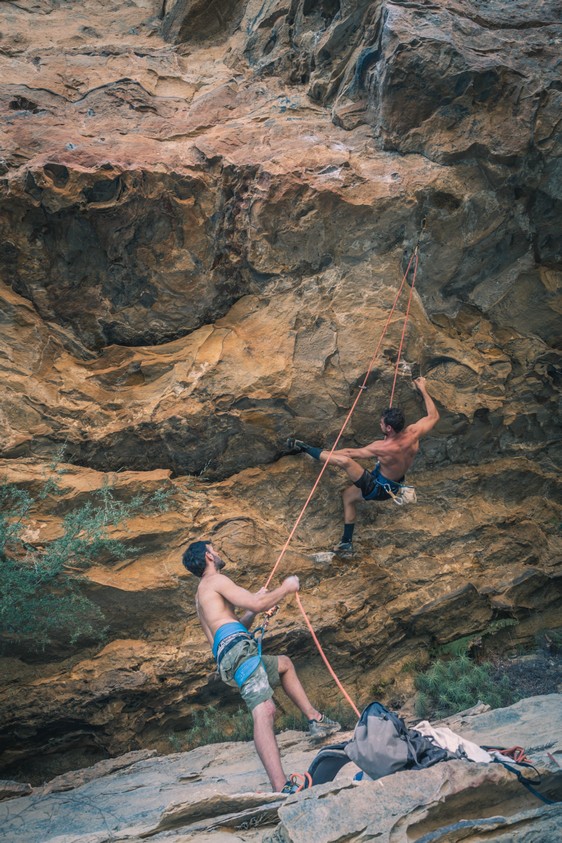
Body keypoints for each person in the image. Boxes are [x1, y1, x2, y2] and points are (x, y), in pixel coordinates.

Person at [182, 540, 341, 793]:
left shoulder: (201, 596)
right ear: (208, 556)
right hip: (238, 652)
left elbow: (228, 629)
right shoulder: (216, 580)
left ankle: (315, 719)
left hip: (230, 653)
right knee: (265, 710)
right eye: (215, 548)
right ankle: (280, 787)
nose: (219, 551)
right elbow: (255, 604)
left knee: (284, 665)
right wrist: (285, 588)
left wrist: (258, 611)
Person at [287, 376, 439, 554]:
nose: (379, 423)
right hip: (393, 485)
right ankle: (347, 543)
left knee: (345, 461)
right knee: (348, 497)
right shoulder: (414, 432)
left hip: (378, 487)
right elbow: (433, 416)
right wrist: (423, 388)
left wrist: (322, 452)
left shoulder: (383, 447)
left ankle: (304, 448)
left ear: (389, 428)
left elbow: (351, 454)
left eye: (382, 423)